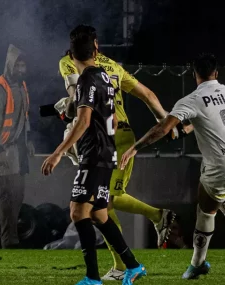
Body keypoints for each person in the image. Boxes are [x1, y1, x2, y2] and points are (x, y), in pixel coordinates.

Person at [120, 53, 225, 279]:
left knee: (205, 210)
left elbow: (163, 128)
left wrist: (135, 147)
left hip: (223, 164)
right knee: (214, 185)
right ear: (216, 74)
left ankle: (197, 264)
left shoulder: (192, 100)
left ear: (194, 74)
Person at [58, 26, 176, 280]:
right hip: (120, 136)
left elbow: (77, 105)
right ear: (97, 45)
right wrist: (166, 122)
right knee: (102, 207)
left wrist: (60, 147)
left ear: (72, 50)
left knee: (96, 205)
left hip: (97, 139)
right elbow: (148, 94)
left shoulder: (69, 64)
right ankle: (128, 262)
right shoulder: (111, 66)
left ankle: (115, 268)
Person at [42, 25, 146, 285]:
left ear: (71, 55)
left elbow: (84, 120)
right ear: (96, 48)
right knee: (99, 214)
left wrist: (57, 153)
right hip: (106, 152)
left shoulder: (88, 78)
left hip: (95, 154)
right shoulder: (104, 76)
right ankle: (132, 266)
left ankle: (91, 278)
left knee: (77, 212)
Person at [0, 44, 34, 249]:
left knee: (17, 195)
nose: (22, 69)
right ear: (10, 66)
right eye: (18, 65)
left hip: (18, 148)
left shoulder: (21, 87)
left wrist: (27, 141)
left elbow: (24, 118)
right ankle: (9, 241)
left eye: (24, 65)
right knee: (7, 196)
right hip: (1, 148)